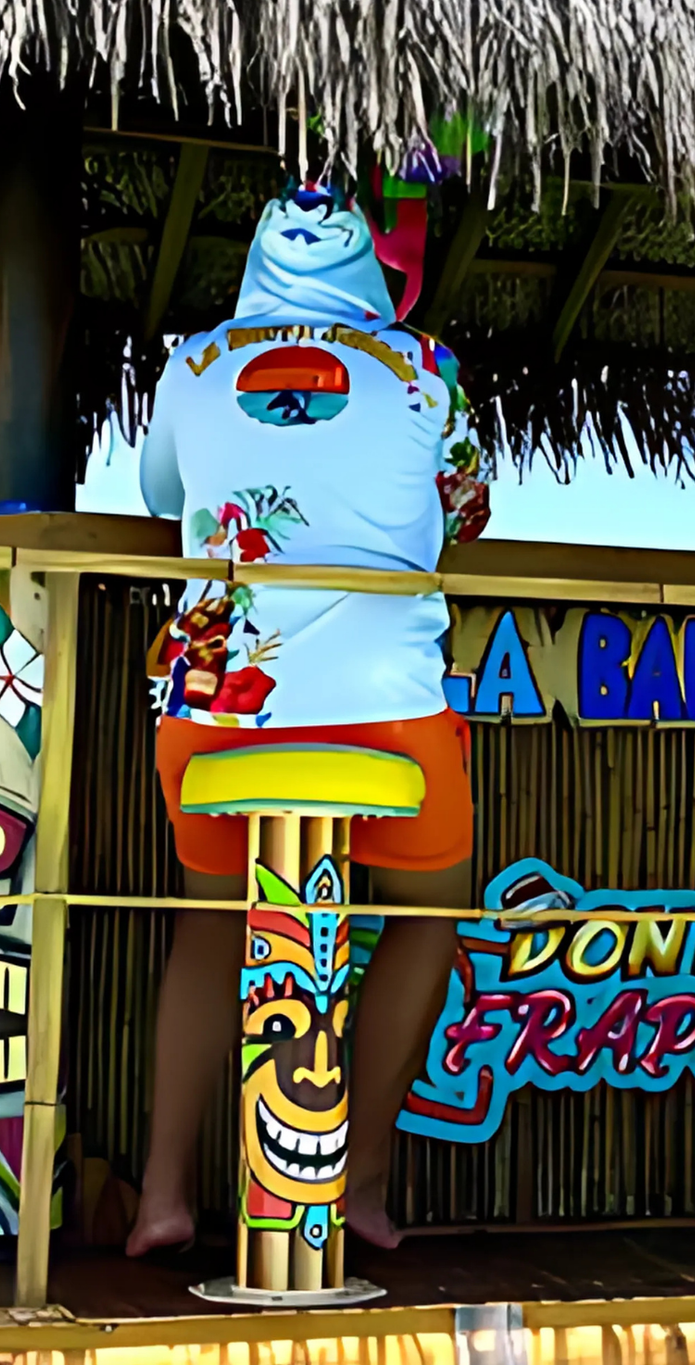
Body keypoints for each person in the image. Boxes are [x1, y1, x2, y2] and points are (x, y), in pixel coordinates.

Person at [124, 181, 490, 1256]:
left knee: (210, 921)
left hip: (215, 696)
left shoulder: (192, 360)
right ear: (366, 271)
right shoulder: (425, 370)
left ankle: (164, 1195)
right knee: (428, 910)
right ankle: (356, 1179)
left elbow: (157, 493)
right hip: (385, 706)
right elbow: (468, 510)